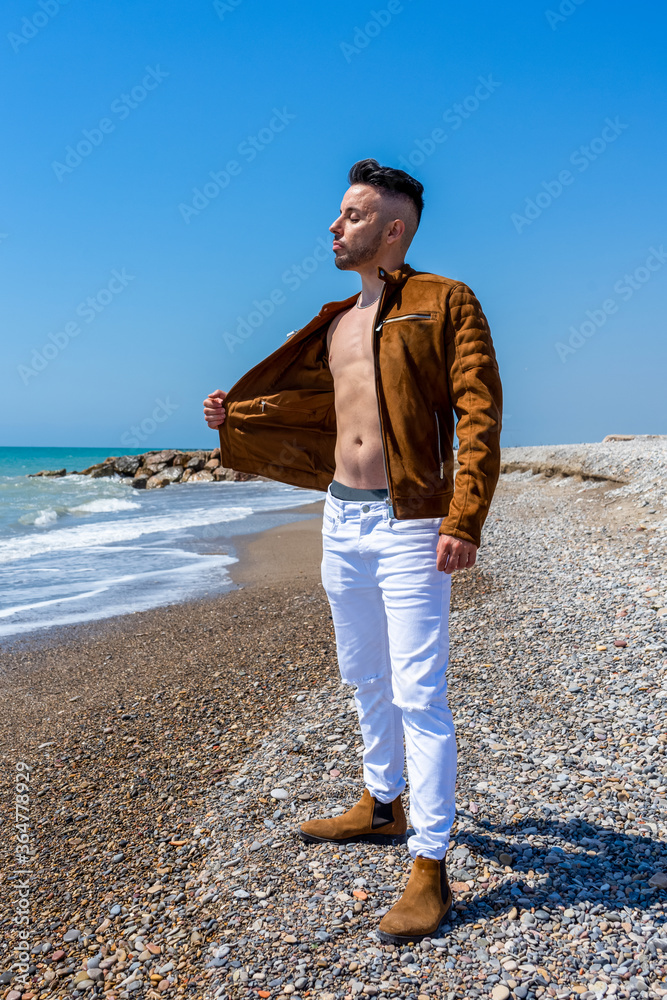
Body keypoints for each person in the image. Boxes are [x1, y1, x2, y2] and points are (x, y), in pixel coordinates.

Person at [203, 158, 502, 944]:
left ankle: (430, 865)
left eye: (352, 215)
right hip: (342, 521)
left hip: (410, 523)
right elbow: (317, 409)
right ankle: (380, 803)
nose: (334, 226)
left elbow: (478, 414)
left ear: (392, 228)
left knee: (418, 693)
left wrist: (462, 519)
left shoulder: (445, 302)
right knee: (360, 673)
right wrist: (236, 416)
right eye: (339, 214)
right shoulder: (334, 320)